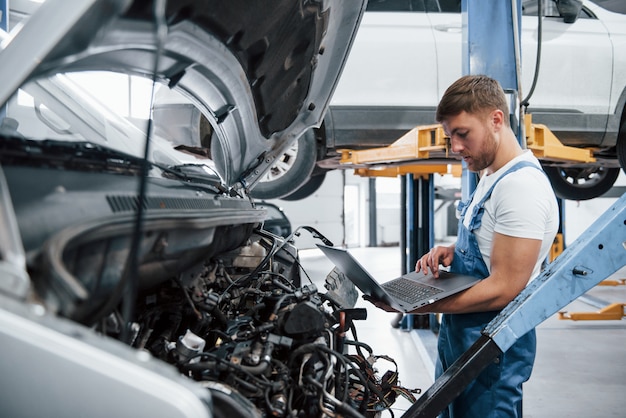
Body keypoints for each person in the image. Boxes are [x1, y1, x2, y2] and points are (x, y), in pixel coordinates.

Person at [367, 75, 559, 417]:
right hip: (463, 334)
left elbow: (504, 289)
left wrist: (417, 305)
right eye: (450, 136)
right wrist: (457, 251)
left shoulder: (521, 187)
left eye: (462, 134)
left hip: (492, 346)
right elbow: (492, 248)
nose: (455, 147)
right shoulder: (491, 175)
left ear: (496, 119)